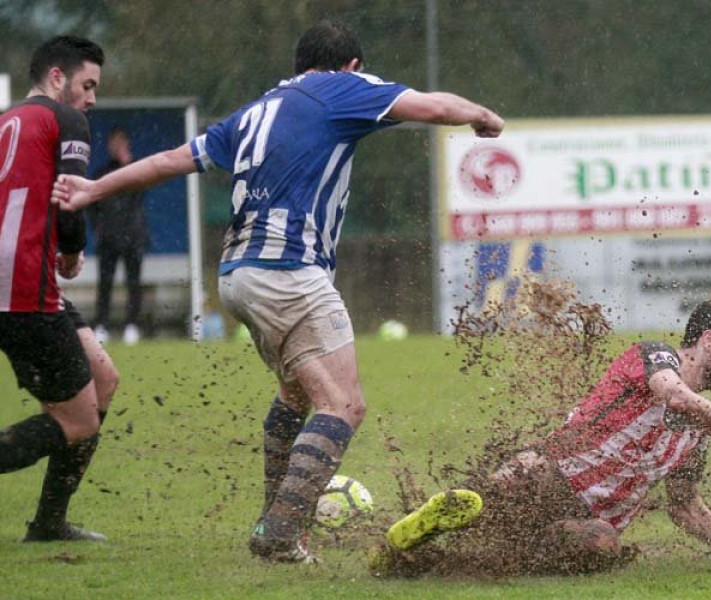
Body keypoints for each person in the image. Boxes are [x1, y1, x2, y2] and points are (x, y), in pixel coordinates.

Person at [52, 21, 504, 562]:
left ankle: (277, 517)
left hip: (237, 275)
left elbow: (169, 162)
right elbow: (429, 106)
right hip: (288, 270)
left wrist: (94, 187)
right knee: (343, 404)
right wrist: (480, 115)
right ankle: (281, 531)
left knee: (295, 395)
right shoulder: (341, 87)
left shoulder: (253, 112)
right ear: (352, 67)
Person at [374, 295, 711, 577]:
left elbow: (687, 509)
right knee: (518, 487)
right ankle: (417, 535)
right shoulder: (654, 356)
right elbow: (676, 397)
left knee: (600, 543)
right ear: (709, 340)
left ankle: (425, 556)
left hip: (582, 520)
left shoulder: (698, 433)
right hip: (544, 479)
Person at [0, 35, 120, 542]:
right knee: (78, 422)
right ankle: (49, 524)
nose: (91, 98)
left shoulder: (6, 119)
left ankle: (49, 522)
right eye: (87, 84)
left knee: (104, 380)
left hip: (26, 282)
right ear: (56, 76)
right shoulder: (65, 120)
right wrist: (71, 251)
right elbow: (67, 197)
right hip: (22, 287)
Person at [88, 125, 147, 346]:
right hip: (109, 240)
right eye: (114, 143)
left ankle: (132, 326)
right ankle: (101, 325)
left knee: (133, 283)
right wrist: (98, 228)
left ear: (127, 145)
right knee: (105, 283)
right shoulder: (101, 173)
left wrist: (128, 165)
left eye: (121, 142)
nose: (117, 147)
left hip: (133, 238)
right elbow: (92, 206)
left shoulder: (137, 170)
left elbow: (138, 195)